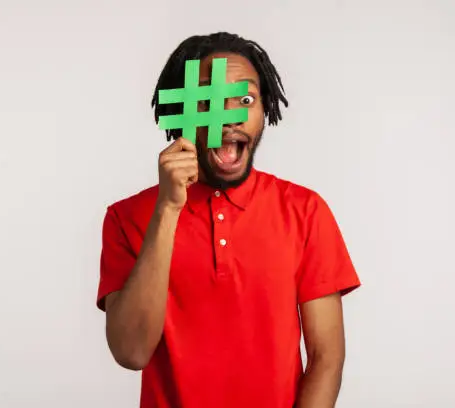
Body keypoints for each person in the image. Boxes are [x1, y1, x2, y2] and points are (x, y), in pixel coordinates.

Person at [96, 32, 361, 408]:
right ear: (181, 112)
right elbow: (131, 352)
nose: (230, 116)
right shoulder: (126, 218)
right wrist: (168, 208)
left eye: (246, 99)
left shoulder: (305, 210)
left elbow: (326, 358)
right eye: (209, 99)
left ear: (265, 109)